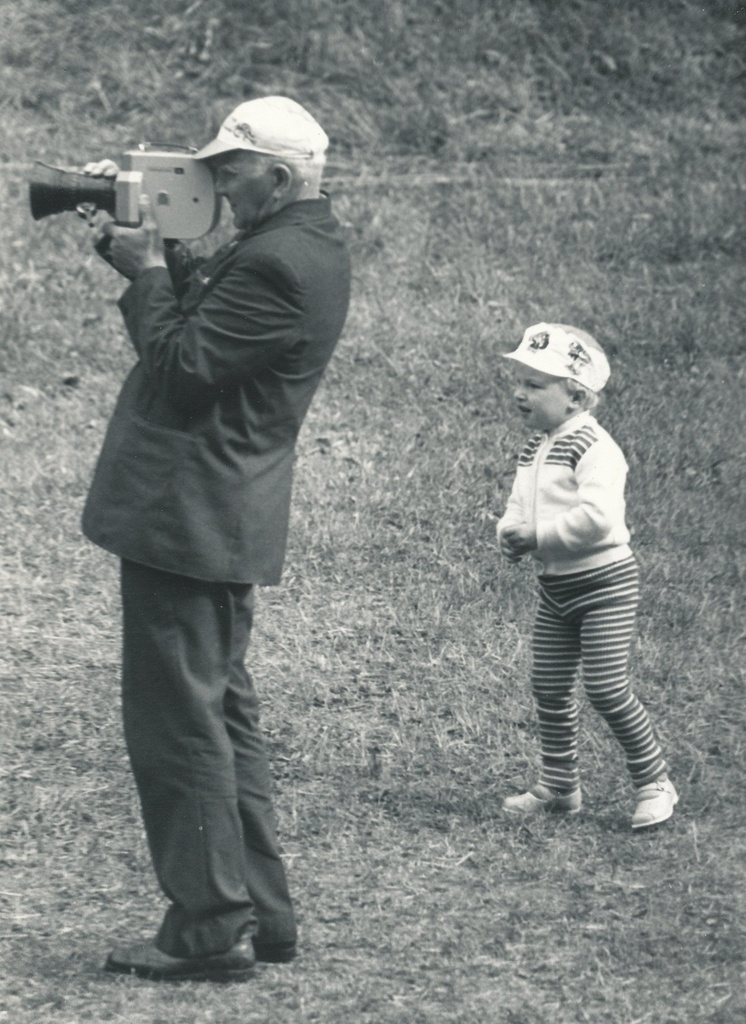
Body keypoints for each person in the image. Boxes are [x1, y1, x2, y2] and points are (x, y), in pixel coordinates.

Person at [80, 96, 351, 981]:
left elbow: (185, 366)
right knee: (220, 718)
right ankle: (260, 915)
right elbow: (212, 332)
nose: (215, 183)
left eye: (229, 169)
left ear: (276, 175)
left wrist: (150, 271)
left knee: (180, 728)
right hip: (212, 517)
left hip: (187, 519)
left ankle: (207, 928)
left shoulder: (280, 260)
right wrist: (153, 261)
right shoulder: (298, 243)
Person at [496, 323, 677, 831]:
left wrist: (537, 536)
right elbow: (519, 505)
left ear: (575, 396)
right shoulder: (536, 447)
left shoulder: (596, 447)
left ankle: (654, 782)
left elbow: (599, 520)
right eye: (520, 380)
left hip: (605, 586)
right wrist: (509, 532)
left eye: (534, 384)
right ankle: (559, 784)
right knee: (549, 685)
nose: (519, 392)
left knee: (606, 687)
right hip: (556, 589)